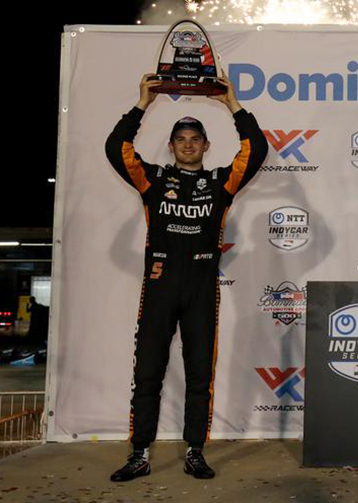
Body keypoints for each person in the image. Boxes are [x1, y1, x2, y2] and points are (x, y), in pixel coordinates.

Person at [105, 73, 268, 481]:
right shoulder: (153, 180)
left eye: (196, 139)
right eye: (181, 139)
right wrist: (143, 103)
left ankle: (195, 451)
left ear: (207, 146)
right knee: (147, 375)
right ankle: (139, 454)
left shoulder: (221, 183)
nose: (189, 145)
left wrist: (232, 103)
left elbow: (256, 148)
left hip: (200, 293)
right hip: (159, 291)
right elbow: (116, 148)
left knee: (199, 377)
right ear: (171, 146)